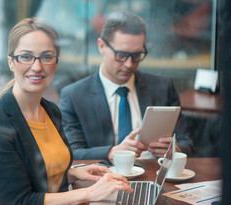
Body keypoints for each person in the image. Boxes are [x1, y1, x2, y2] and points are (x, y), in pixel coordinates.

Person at [0, 18, 133, 205]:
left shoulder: (50, 111)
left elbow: (34, 172)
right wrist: (88, 193)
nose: (37, 66)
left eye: (46, 57)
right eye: (26, 56)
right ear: (11, 62)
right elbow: (21, 203)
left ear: (55, 62)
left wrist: (72, 174)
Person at [59, 11, 194, 163]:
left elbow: (187, 144)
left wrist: (176, 150)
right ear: (101, 46)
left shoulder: (163, 87)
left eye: (136, 55)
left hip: (155, 174)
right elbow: (73, 154)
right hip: (104, 178)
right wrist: (111, 152)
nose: (129, 64)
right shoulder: (74, 96)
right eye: (121, 55)